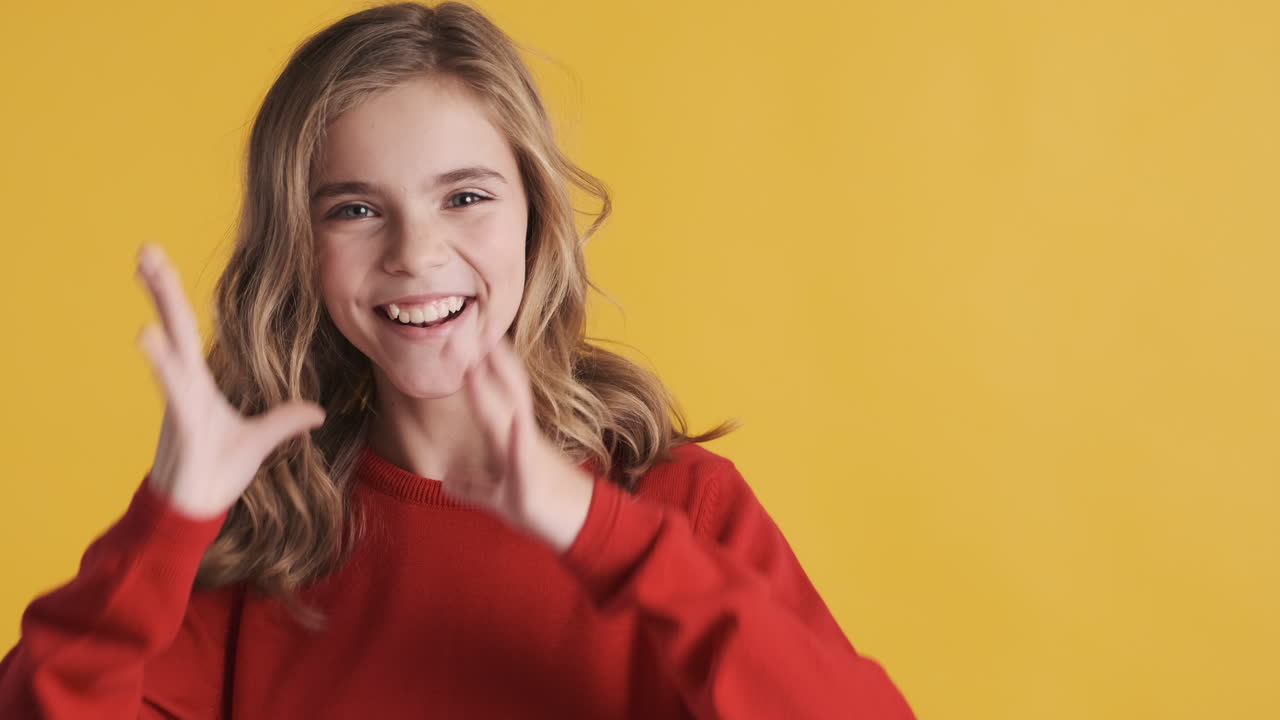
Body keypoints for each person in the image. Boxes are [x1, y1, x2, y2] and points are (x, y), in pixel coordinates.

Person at [0, 2, 917, 717]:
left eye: (465, 197)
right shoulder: (260, 541)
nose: (415, 252)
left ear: (535, 219)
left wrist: (591, 530)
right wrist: (165, 527)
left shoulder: (677, 507)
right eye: (353, 209)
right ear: (299, 245)